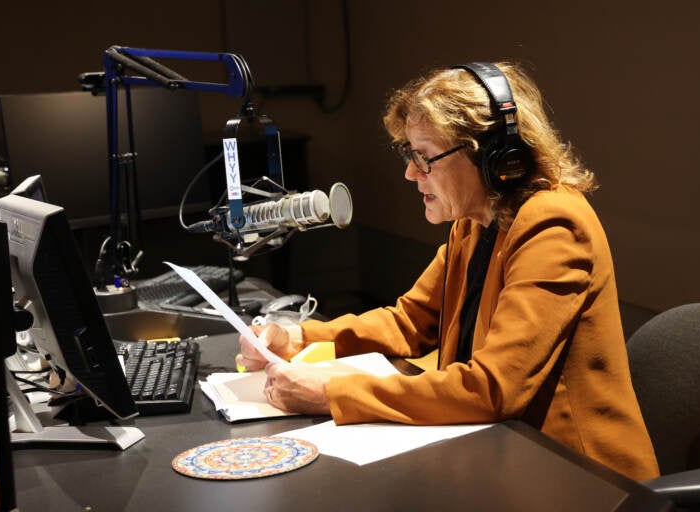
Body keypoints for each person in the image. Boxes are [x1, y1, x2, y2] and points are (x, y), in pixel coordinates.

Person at [237, 61, 659, 481]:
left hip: (581, 479)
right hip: (505, 455)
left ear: (494, 156)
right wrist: (295, 337)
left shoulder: (553, 227)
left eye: (424, 158)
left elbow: (493, 388)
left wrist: (331, 394)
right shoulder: (474, 223)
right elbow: (408, 322)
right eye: (409, 155)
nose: (409, 173)